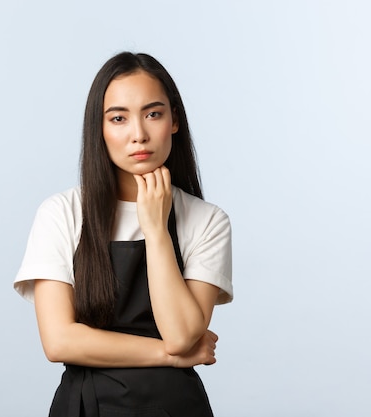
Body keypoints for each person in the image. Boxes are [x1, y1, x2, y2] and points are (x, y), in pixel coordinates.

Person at [14, 51, 233, 417]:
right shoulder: (62, 213)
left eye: (153, 114)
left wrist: (156, 229)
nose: (138, 135)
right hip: (86, 406)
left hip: (175, 407)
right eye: (118, 118)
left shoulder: (207, 221)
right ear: (99, 128)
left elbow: (181, 335)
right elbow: (59, 341)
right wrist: (168, 355)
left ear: (174, 120)